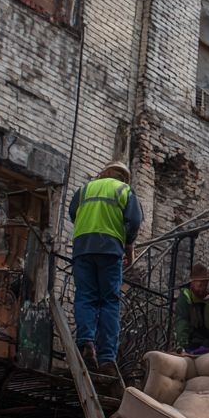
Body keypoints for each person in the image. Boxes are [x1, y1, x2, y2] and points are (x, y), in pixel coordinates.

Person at [68, 160, 143, 375]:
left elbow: (73, 213)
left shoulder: (84, 189)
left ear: (104, 173)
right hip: (110, 249)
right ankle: (107, 357)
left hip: (83, 248)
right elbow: (135, 221)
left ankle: (85, 343)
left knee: (85, 296)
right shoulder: (124, 190)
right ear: (124, 177)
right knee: (109, 300)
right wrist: (128, 245)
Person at [174, 263, 209, 355]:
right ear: (192, 283)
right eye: (200, 285)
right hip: (193, 343)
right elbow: (182, 322)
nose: (202, 288)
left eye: (205, 285)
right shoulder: (185, 298)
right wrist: (182, 345)